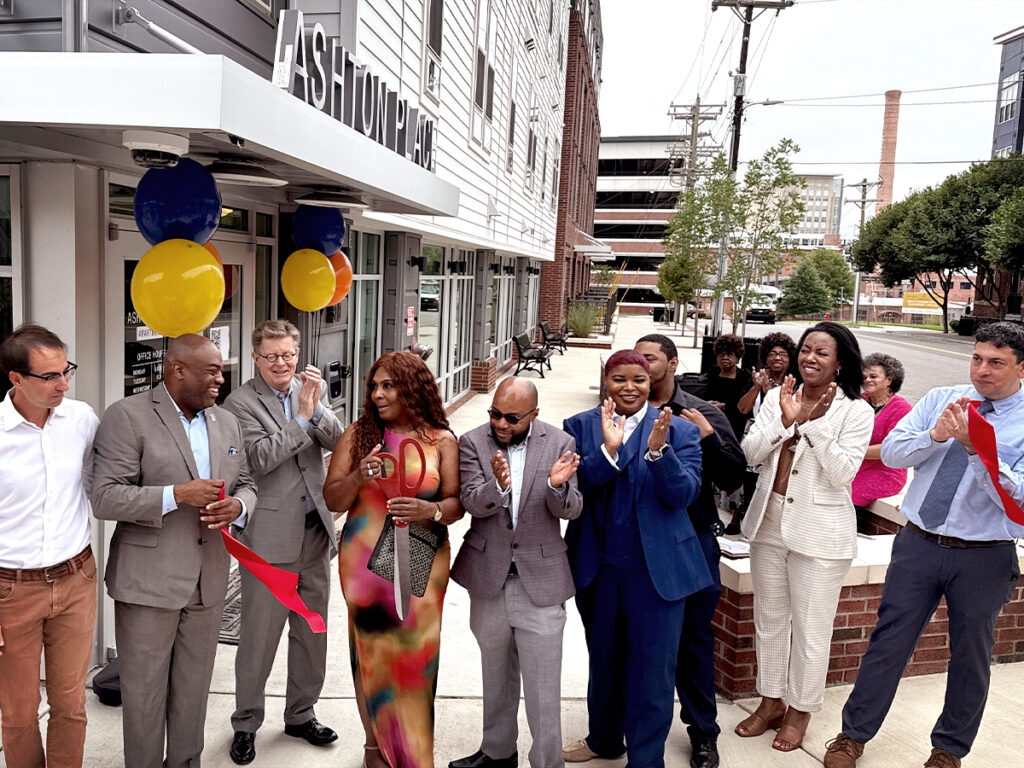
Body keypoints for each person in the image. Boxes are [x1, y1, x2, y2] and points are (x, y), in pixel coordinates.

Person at [824, 322, 1024, 768]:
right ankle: (851, 736)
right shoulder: (941, 399)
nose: (982, 370)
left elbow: (1020, 500)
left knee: (971, 656)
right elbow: (892, 453)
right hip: (918, 543)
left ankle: (949, 749)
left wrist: (978, 451)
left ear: (1021, 368)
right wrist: (934, 436)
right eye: (977, 358)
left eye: (996, 363)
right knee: (887, 642)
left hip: (984, 554)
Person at [91, 334, 258, 768]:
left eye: (221, 371)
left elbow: (247, 484)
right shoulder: (127, 416)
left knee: (193, 692)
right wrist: (175, 495)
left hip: (209, 581)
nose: (221, 379)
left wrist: (238, 506)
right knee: (144, 700)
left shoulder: (226, 422)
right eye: (212, 371)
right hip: (148, 584)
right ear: (177, 369)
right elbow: (105, 497)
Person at [561, 350, 709, 768]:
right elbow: (576, 489)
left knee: (652, 674)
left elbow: (683, 495)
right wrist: (608, 452)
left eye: (639, 380)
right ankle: (604, 739)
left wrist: (659, 454)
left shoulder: (679, 430)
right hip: (600, 568)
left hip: (657, 574)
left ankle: (646, 760)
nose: (630, 387)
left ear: (651, 383)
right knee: (604, 661)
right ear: (605, 380)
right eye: (619, 379)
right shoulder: (579, 427)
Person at [735, 322, 872, 753]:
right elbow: (750, 453)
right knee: (770, 621)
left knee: (811, 629)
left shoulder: (856, 411)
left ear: (840, 363)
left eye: (821, 353)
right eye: (806, 350)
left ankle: (800, 711)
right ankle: (771, 700)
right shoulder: (779, 398)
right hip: (768, 521)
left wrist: (810, 425)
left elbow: (842, 474)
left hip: (821, 532)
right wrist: (784, 421)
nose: (809, 358)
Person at [323, 351, 462, 768]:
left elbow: (456, 504)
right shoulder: (360, 435)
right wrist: (359, 475)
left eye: (388, 385)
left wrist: (432, 511)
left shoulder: (441, 440)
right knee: (373, 652)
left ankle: (414, 754)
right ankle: (375, 749)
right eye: (374, 386)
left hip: (422, 557)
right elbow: (332, 499)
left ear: (412, 387)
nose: (378, 394)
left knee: (415, 658)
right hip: (365, 564)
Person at [222, 320, 344, 765]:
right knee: (259, 636)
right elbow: (258, 459)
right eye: (272, 356)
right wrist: (302, 418)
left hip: (316, 531)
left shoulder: (308, 389)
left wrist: (317, 406)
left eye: (288, 355)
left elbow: (339, 440)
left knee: (312, 630)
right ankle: (246, 723)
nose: (282, 364)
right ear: (255, 358)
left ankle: (301, 714)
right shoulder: (239, 404)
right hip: (269, 537)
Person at [449, 377, 583, 768]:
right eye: (495, 414)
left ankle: (546, 762)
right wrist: (500, 487)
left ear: (534, 415)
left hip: (540, 582)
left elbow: (572, 509)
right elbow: (472, 502)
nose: (500, 424)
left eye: (511, 417)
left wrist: (558, 489)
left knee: (543, 687)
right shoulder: (473, 441)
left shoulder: (560, 443)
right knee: (495, 676)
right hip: (488, 578)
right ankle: (497, 752)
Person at [635, 334, 745, 768]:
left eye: (650, 358)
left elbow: (734, 476)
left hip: (692, 540)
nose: (641, 366)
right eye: (635, 358)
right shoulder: (624, 412)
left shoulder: (705, 413)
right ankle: (632, 727)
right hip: (636, 545)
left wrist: (706, 438)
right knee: (638, 642)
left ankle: (703, 732)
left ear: (673, 363)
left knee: (694, 640)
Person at [0, 325, 99, 768]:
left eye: (66, 371)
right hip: (11, 591)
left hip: (76, 579)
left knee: (70, 705)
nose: (63, 384)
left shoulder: (81, 419)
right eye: (49, 376)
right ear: (15, 379)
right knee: (18, 714)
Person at [729, 332, 799, 535]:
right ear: (765, 356)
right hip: (755, 434)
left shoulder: (794, 382)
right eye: (773, 353)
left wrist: (771, 393)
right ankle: (739, 517)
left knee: (769, 478)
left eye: (783, 354)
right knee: (748, 480)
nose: (777, 358)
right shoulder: (756, 377)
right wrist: (757, 387)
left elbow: (786, 414)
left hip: (780, 435)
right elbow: (742, 408)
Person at [850, 353, 913, 516]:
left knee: (847, 497)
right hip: (854, 466)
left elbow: (891, 448)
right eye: (864, 376)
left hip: (886, 472)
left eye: (873, 376)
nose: (867, 380)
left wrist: (853, 451)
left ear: (889, 380)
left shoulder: (901, 408)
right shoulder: (858, 401)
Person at [704, 334, 754, 441]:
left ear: (737, 359)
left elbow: (746, 408)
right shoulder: (712, 374)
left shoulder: (745, 377)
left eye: (729, 354)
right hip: (712, 423)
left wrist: (724, 406)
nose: (724, 358)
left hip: (735, 427)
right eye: (721, 354)